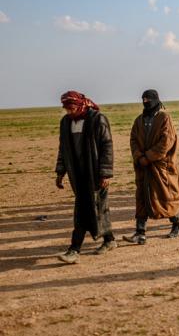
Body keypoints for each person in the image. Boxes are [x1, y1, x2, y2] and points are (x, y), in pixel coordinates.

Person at [55, 91, 116, 263]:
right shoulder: (66, 122)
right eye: (66, 109)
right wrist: (60, 171)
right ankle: (109, 240)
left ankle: (74, 249)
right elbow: (63, 149)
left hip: (95, 174)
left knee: (93, 207)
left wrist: (105, 173)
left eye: (72, 108)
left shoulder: (97, 119)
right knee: (88, 207)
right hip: (77, 174)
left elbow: (107, 147)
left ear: (80, 104)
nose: (69, 112)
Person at [125, 90, 179, 244]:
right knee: (142, 197)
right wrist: (139, 157)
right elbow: (133, 140)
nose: (146, 101)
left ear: (156, 100)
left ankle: (177, 223)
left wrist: (149, 157)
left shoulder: (164, 117)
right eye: (143, 98)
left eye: (149, 99)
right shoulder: (139, 120)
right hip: (143, 167)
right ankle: (140, 232)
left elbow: (167, 141)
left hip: (161, 166)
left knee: (165, 196)